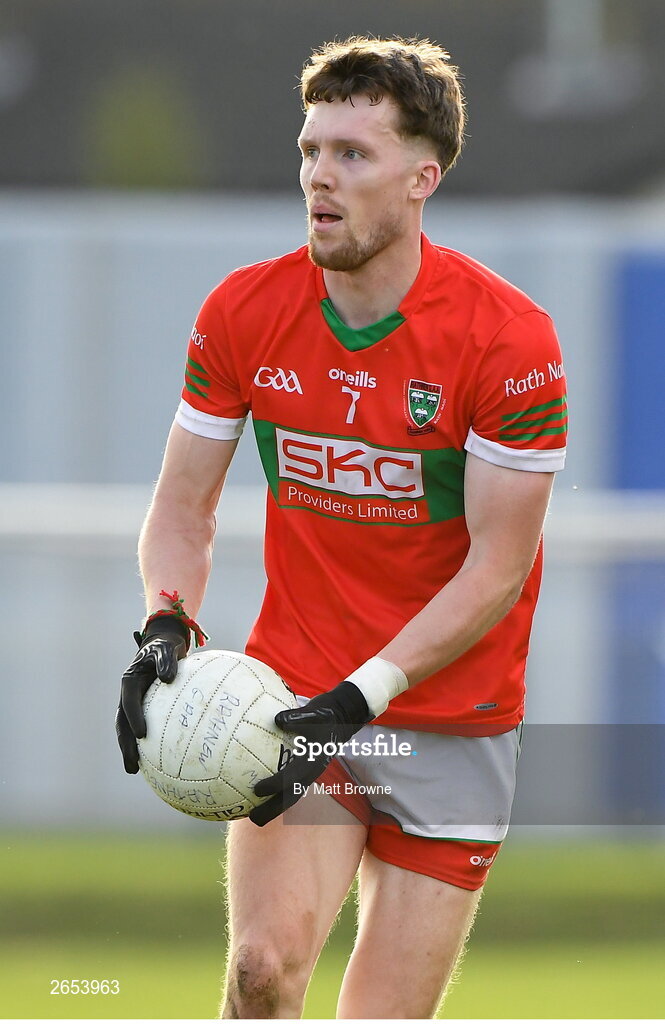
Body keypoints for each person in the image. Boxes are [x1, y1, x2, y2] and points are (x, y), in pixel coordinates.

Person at [116, 36, 568, 1019]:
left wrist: (367, 693)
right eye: (309, 149)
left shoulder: (506, 341)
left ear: (421, 177)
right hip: (299, 702)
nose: (319, 175)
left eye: (352, 155)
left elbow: (496, 566)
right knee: (262, 973)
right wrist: (164, 623)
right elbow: (183, 507)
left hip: (445, 726)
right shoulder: (244, 311)